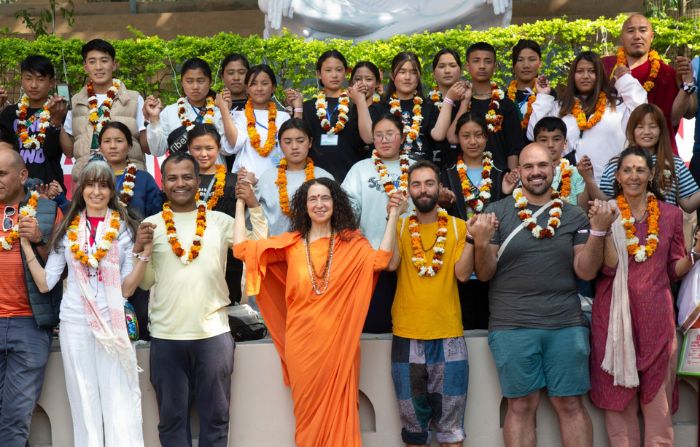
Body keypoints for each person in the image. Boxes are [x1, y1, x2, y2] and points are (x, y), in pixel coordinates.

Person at [233, 177, 406, 447]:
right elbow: (242, 250)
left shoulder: (352, 243)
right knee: (306, 416)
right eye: (312, 199)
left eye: (325, 198)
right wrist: (241, 203)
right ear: (304, 206)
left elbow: (382, 260)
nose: (319, 204)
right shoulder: (291, 243)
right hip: (301, 344)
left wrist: (394, 214)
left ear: (336, 204)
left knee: (340, 411)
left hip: (340, 343)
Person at [471, 143, 617, 447]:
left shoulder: (575, 215)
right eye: (528, 166)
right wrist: (482, 244)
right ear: (519, 172)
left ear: (554, 168)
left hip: (565, 324)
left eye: (542, 165)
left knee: (570, 404)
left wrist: (600, 232)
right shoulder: (496, 212)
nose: (536, 172)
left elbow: (586, 272)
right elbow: (484, 274)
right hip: (512, 325)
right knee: (521, 406)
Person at [137, 152, 266, 447]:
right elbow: (145, 282)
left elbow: (256, 247)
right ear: (163, 182)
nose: (179, 183)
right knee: (171, 421)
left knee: (216, 419)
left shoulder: (220, 220)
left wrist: (254, 205)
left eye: (186, 177)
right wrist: (140, 249)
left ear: (198, 181)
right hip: (166, 337)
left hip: (213, 335)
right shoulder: (152, 224)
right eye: (172, 178)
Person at [21, 156, 152, 447]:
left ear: (111, 191)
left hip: (112, 322)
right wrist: (26, 245)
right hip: (75, 322)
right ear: (80, 190)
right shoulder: (67, 231)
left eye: (103, 185)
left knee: (118, 397)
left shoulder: (124, 229)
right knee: (83, 398)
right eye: (90, 184)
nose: (96, 191)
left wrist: (145, 253)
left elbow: (127, 289)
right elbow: (46, 282)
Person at [590, 146, 700, 446]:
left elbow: (673, 270)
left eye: (640, 170)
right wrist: (603, 226)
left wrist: (694, 254)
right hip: (612, 320)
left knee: (658, 406)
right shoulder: (606, 212)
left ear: (651, 175)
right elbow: (601, 267)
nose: (634, 176)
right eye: (627, 170)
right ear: (617, 175)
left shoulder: (671, 214)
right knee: (618, 404)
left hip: (656, 320)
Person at [387, 160, 471, 446]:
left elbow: (463, 275)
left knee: (451, 431)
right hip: (407, 335)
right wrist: (392, 216)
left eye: (429, 183)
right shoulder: (398, 227)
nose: (423, 190)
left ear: (439, 187)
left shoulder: (460, 229)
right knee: (414, 432)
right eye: (416, 184)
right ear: (409, 190)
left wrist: (475, 239)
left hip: (449, 336)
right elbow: (389, 264)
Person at [0, 148, 62, 447]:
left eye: (1, 174)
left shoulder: (48, 210)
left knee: (15, 416)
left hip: (29, 324)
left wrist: (40, 239)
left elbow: (64, 269)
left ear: (23, 175)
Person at [342, 113, 415, 333]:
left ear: (401, 138)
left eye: (390, 134)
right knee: (376, 325)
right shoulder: (360, 169)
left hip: (412, 258)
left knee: (409, 325)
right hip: (372, 259)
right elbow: (346, 211)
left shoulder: (416, 168)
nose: (384, 140)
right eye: (379, 135)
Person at [528, 51, 647, 182]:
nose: (585, 76)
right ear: (573, 75)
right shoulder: (560, 107)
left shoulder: (617, 105)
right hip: (568, 187)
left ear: (600, 75)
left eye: (591, 71)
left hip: (610, 186)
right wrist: (543, 97)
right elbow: (534, 134)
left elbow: (642, 112)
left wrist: (624, 79)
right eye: (579, 71)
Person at [440, 113, 509, 329]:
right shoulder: (447, 174)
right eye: (466, 135)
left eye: (478, 135)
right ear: (458, 139)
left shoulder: (500, 174)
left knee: (490, 322)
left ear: (486, 138)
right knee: (464, 323)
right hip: (460, 258)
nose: (473, 141)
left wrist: (505, 191)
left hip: (492, 257)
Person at [602, 13, 697, 153]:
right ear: (622, 37)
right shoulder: (605, 67)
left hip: (657, 154)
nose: (637, 36)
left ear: (651, 36)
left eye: (642, 30)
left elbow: (687, 114)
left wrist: (686, 82)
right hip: (609, 152)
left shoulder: (667, 73)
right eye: (630, 31)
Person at [60, 39, 149, 184]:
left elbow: (147, 147)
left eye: (104, 60)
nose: (99, 67)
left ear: (114, 65)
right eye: (92, 61)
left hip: (128, 179)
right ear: (85, 67)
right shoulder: (76, 101)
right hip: (89, 180)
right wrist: (58, 122)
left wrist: (151, 120)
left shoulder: (133, 98)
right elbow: (69, 152)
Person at [598, 103, 700, 213]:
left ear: (661, 130)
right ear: (632, 130)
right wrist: (588, 179)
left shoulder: (674, 163)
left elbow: (689, 205)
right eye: (640, 127)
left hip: (665, 229)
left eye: (653, 126)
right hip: (626, 228)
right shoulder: (617, 164)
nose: (647, 132)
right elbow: (605, 202)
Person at [439, 42, 525, 171]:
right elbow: (452, 138)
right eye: (476, 61)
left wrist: (511, 179)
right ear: (468, 66)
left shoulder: (506, 105)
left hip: (499, 176)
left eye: (488, 61)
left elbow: (513, 149)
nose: (482, 66)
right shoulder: (457, 101)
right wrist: (465, 102)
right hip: (463, 176)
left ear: (494, 67)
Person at [187, 123, 247, 304]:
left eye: (209, 148)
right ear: (189, 148)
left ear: (219, 149)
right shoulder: (183, 180)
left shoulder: (234, 180)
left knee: (226, 304)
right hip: (190, 253)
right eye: (197, 148)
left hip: (226, 260)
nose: (203, 154)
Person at [0, 55, 68, 194]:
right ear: (21, 80)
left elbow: (57, 152)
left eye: (40, 79)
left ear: (51, 82)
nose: (34, 85)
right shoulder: (10, 113)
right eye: (28, 78)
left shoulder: (59, 111)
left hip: (50, 189)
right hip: (15, 191)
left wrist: (55, 121)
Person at [302, 50, 370, 183]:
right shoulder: (308, 107)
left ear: (345, 73)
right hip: (315, 179)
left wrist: (360, 102)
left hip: (350, 178)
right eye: (328, 70)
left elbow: (368, 138)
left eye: (339, 70)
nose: (334, 75)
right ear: (318, 74)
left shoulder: (355, 104)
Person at [257, 118, 333, 236]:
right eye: (287, 142)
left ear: (310, 142)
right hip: (274, 248)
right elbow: (254, 217)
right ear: (280, 145)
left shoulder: (324, 177)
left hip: (314, 248)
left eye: (300, 140)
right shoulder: (267, 178)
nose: (294, 147)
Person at [144, 57, 231, 158]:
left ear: (210, 82)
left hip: (215, 171)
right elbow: (157, 151)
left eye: (200, 81)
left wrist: (225, 112)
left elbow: (227, 149)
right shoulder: (170, 112)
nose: (195, 86)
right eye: (189, 81)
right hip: (181, 172)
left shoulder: (219, 110)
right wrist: (154, 119)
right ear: (182, 82)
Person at [218, 64, 292, 177]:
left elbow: (292, 148)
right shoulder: (239, 116)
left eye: (265, 83)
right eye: (253, 84)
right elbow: (234, 144)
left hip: (277, 180)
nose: (259, 88)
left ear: (273, 87)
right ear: (247, 88)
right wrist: (224, 110)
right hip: (246, 179)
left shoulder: (283, 117)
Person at [532, 116, 602, 208]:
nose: (550, 145)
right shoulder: (530, 172)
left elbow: (583, 209)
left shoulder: (575, 172)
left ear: (565, 143)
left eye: (556, 139)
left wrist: (587, 178)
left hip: (570, 221)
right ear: (535, 144)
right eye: (544, 140)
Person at [99, 121, 162, 220]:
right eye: (107, 141)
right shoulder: (93, 179)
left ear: (129, 146)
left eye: (119, 141)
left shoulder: (144, 179)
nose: (113, 146)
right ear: (100, 148)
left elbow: (157, 215)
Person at [381, 51, 436, 163]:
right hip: (386, 171)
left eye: (413, 72)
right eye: (402, 72)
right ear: (392, 75)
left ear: (419, 76)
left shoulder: (430, 108)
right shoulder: (380, 107)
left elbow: (438, 136)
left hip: (422, 172)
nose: (407, 77)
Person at [425, 48, 464, 167]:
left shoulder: (469, 100)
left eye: (452, 65)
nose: (447, 71)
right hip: (434, 168)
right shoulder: (425, 105)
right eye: (441, 66)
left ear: (461, 71)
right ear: (433, 73)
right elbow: (437, 136)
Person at [508, 39, 552, 141]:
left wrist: (543, 96)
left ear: (540, 63)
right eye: (520, 60)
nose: (526, 65)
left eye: (532, 59)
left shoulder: (549, 95)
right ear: (513, 65)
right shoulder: (503, 97)